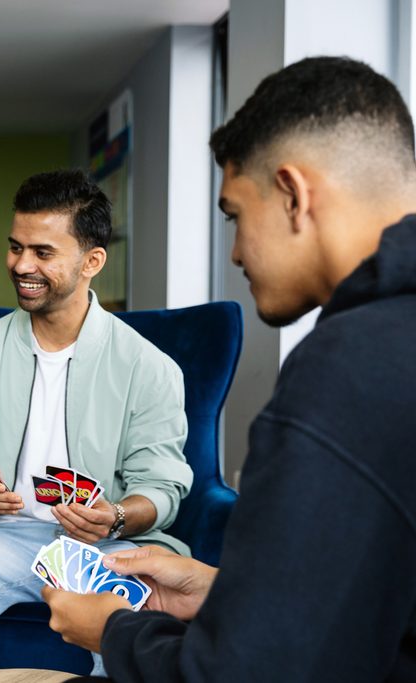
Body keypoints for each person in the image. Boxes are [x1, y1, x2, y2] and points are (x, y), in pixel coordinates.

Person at [41, 56, 416, 681]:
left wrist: (114, 631)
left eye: (235, 216)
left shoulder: (346, 372)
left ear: (294, 194)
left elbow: (248, 671)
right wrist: (225, 592)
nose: (237, 252)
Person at [0, 169, 195, 674]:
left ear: (92, 261)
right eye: (16, 247)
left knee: (130, 616)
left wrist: (118, 516)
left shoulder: (149, 368)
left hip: (107, 544)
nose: (21, 265)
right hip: (1, 533)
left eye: (43, 252)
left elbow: (163, 485)